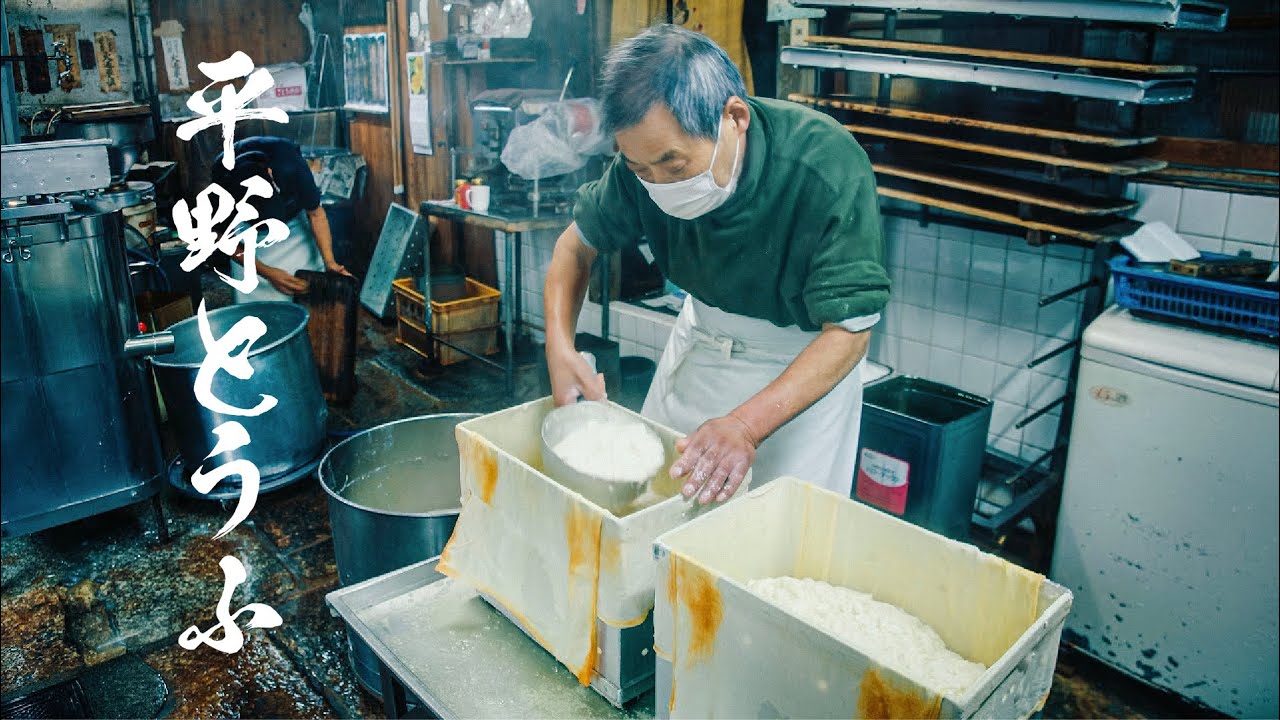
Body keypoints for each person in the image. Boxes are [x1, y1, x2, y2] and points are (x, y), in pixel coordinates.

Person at [543, 25, 890, 504]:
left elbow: (850, 332)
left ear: (734, 117)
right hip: (701, 342)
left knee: (767, 545)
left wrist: (746, 426)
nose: (658, 183)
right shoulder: (639, 165)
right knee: (653, 505)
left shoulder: (822, 162)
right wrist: (559, 346)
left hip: (799, 371)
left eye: (675, 166)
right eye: (642, 170)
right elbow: (574, 248)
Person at [211, 136, 352, 303]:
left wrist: (330, 262)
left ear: (270, 175)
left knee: (308, 286)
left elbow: (316, 214)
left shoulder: (291, 165)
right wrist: (267, 273)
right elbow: (219, 236)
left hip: (294, 225)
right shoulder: (222, 186)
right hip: (249, 235)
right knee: (253, 299)